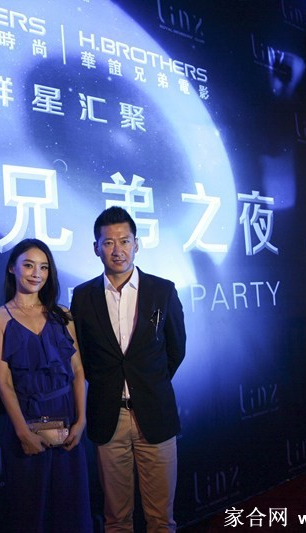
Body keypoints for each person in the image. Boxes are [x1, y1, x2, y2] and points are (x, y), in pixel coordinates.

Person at [70, 206, 186, 532]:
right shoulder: (83, 296)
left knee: (160, 518)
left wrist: (148, 383)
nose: (117, 250)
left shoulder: (163, 290)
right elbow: (83, 356)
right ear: (96, 248)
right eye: (108, 242)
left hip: (155, 412)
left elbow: (176, 349)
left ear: (137, 244)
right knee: (116, 518)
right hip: (109, 416)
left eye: (124, 241)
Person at [0, 238, 93, 533]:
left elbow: (78, 370)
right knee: (31, 512)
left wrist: (81, 421)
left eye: (44, 267)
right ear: (12, 268)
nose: (37, 274)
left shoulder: (62, 315)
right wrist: (22, 432)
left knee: (71, 509)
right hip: (26, 422)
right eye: (29, 265)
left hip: (68, 421)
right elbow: (4, 382)